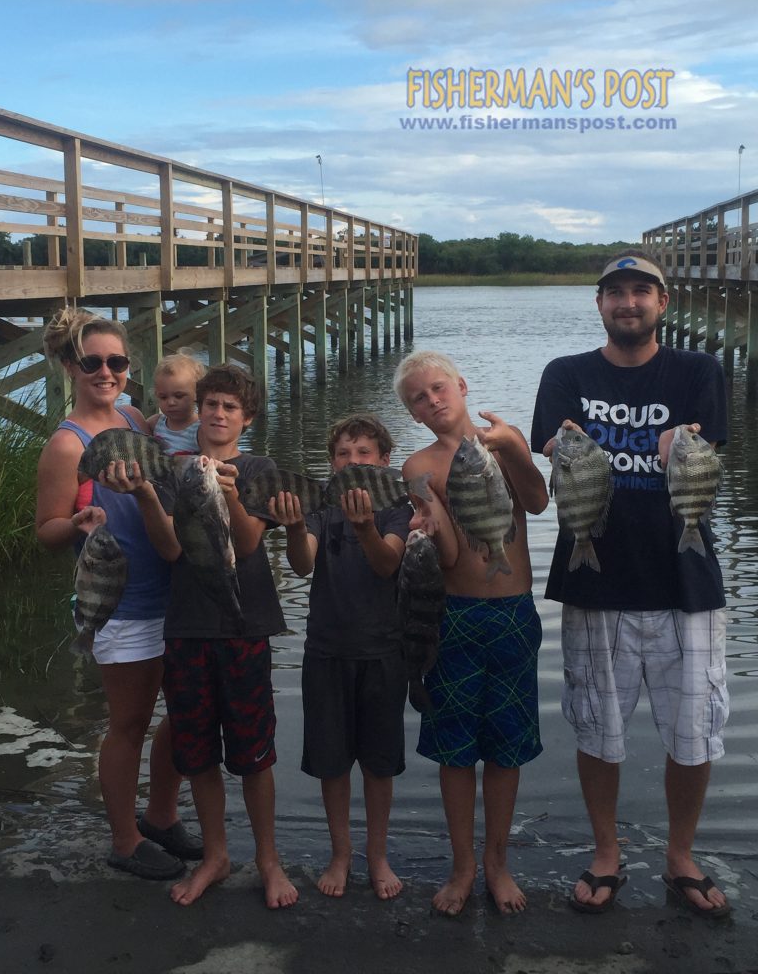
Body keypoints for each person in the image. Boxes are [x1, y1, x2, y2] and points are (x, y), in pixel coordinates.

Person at [530, 250, 730, 918]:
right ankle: (606, 851)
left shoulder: (699, 370)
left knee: (694, 729)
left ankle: (680, 856)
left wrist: (680, 447)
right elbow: (550, 447)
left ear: (663, 303)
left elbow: (708, 449)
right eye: (615, 292)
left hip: (687, 579)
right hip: (597, 583)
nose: (628, 302)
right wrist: (557, 449)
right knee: (597, 728)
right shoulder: (565, 374)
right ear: (599, 305)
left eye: (641, 291)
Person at [36, 307, 202, 880]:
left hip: (172, 588)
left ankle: (160, 815)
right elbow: (46, 530)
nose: (106, 372)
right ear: (68, 366)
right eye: (92, 362)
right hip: (119, 602)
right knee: (128, 723)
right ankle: (126, 839)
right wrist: (79, 520)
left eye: (117, 361)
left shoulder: (135, 416)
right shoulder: (66, 443)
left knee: (183, 710)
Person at [393, 351, 549, 916]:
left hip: (514, 613)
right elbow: (453, 556)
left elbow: (535, 501)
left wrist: (512, 449)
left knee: (506, 750)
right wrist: (431, 528)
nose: (432, 400)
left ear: (460, 386)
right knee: (455, 752)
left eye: (438, 388)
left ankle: (497, 864)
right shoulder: (418, 468)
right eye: (418, 397)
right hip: (453, 618)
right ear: (411, 413)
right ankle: (462, 868)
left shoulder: (503, 442)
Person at [161, 363, 298, 909]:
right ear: (199, 408)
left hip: (245, 624)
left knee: (254, 750)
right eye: (210, 404)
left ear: (248, 418)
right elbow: (171, 550)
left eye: (230, 407)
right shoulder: (176, 471)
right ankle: (215, 855)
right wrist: (154, 497)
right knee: (196, 751)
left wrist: (233, 491)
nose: (218, 414)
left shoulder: (259, 468)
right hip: (187, 626)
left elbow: (245, 547)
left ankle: (269, 858)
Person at [269, 414, 412, 900]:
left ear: (385, 461)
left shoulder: (397, 503)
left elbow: (388, 561)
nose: (353, 462)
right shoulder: (321, 503)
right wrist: (291, 529)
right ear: (332, 463)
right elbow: (303, 562)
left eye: (364, 453)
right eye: (343, 454)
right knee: (332, 763)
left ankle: (377, 855)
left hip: (383, 652)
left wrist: (366, 527)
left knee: (379, 764)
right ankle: (340, 853)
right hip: (326, 651)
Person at [147, 352, 205, 453]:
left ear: (197, 393)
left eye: (179, 396)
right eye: (163, 397)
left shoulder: (200, 429)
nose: (171, 402)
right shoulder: (155, 423)